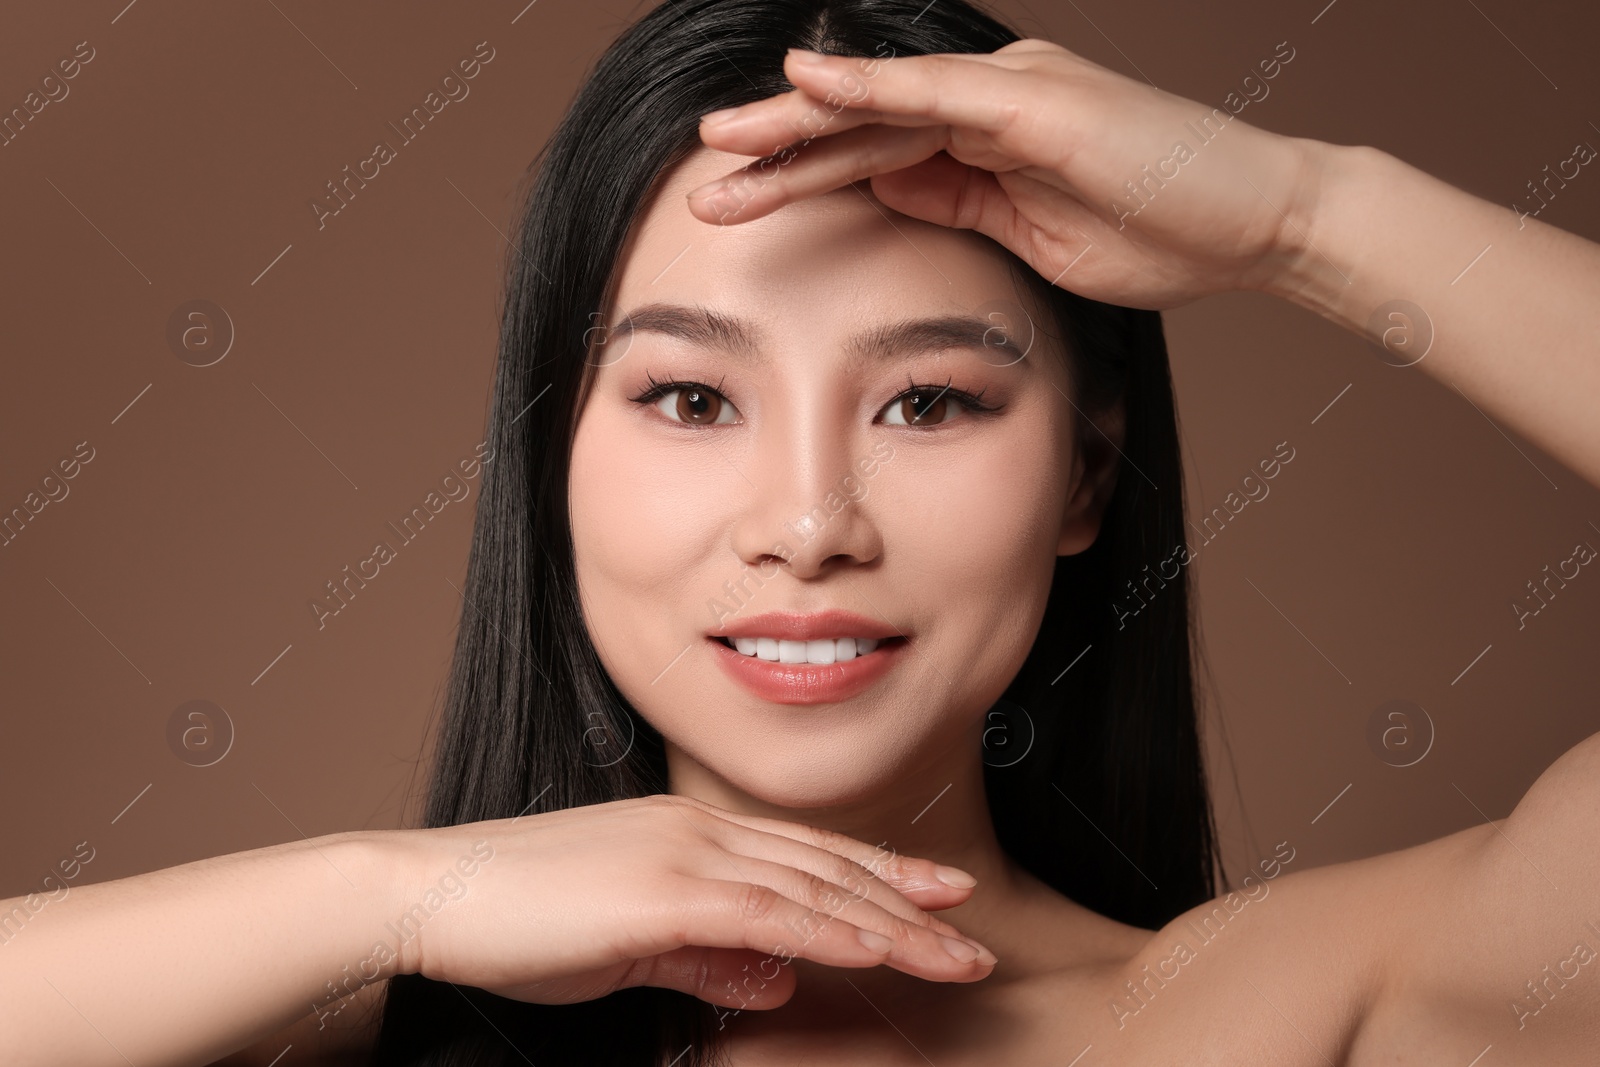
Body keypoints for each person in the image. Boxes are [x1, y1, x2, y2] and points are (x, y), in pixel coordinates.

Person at [5, 0, 1598, 1063]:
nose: (809, 524)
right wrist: (391, 898)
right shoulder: (297, 1018)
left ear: (1089, 479)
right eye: (692, 400)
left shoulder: (1298, 1009)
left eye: (930, 404)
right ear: (553, 463)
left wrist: (1298, 218)